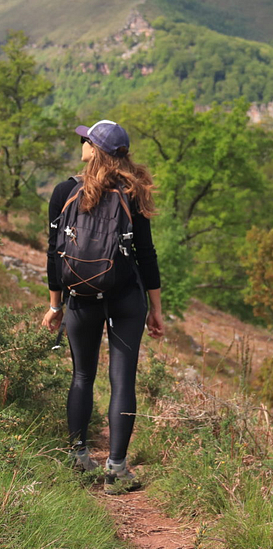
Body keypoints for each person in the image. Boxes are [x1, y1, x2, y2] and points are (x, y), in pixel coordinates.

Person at [42, 119, 164, 494]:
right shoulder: (134, 194)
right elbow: (146, 255)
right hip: (127, 299)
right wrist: (156, 308)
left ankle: (78, 458)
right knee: (122, 379)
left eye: (86, 140)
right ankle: (116, 470)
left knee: (82, 376)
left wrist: (54, 305)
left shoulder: (65, 191)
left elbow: (54, 254)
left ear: (96, 151)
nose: (81, 143)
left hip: (80, 297)